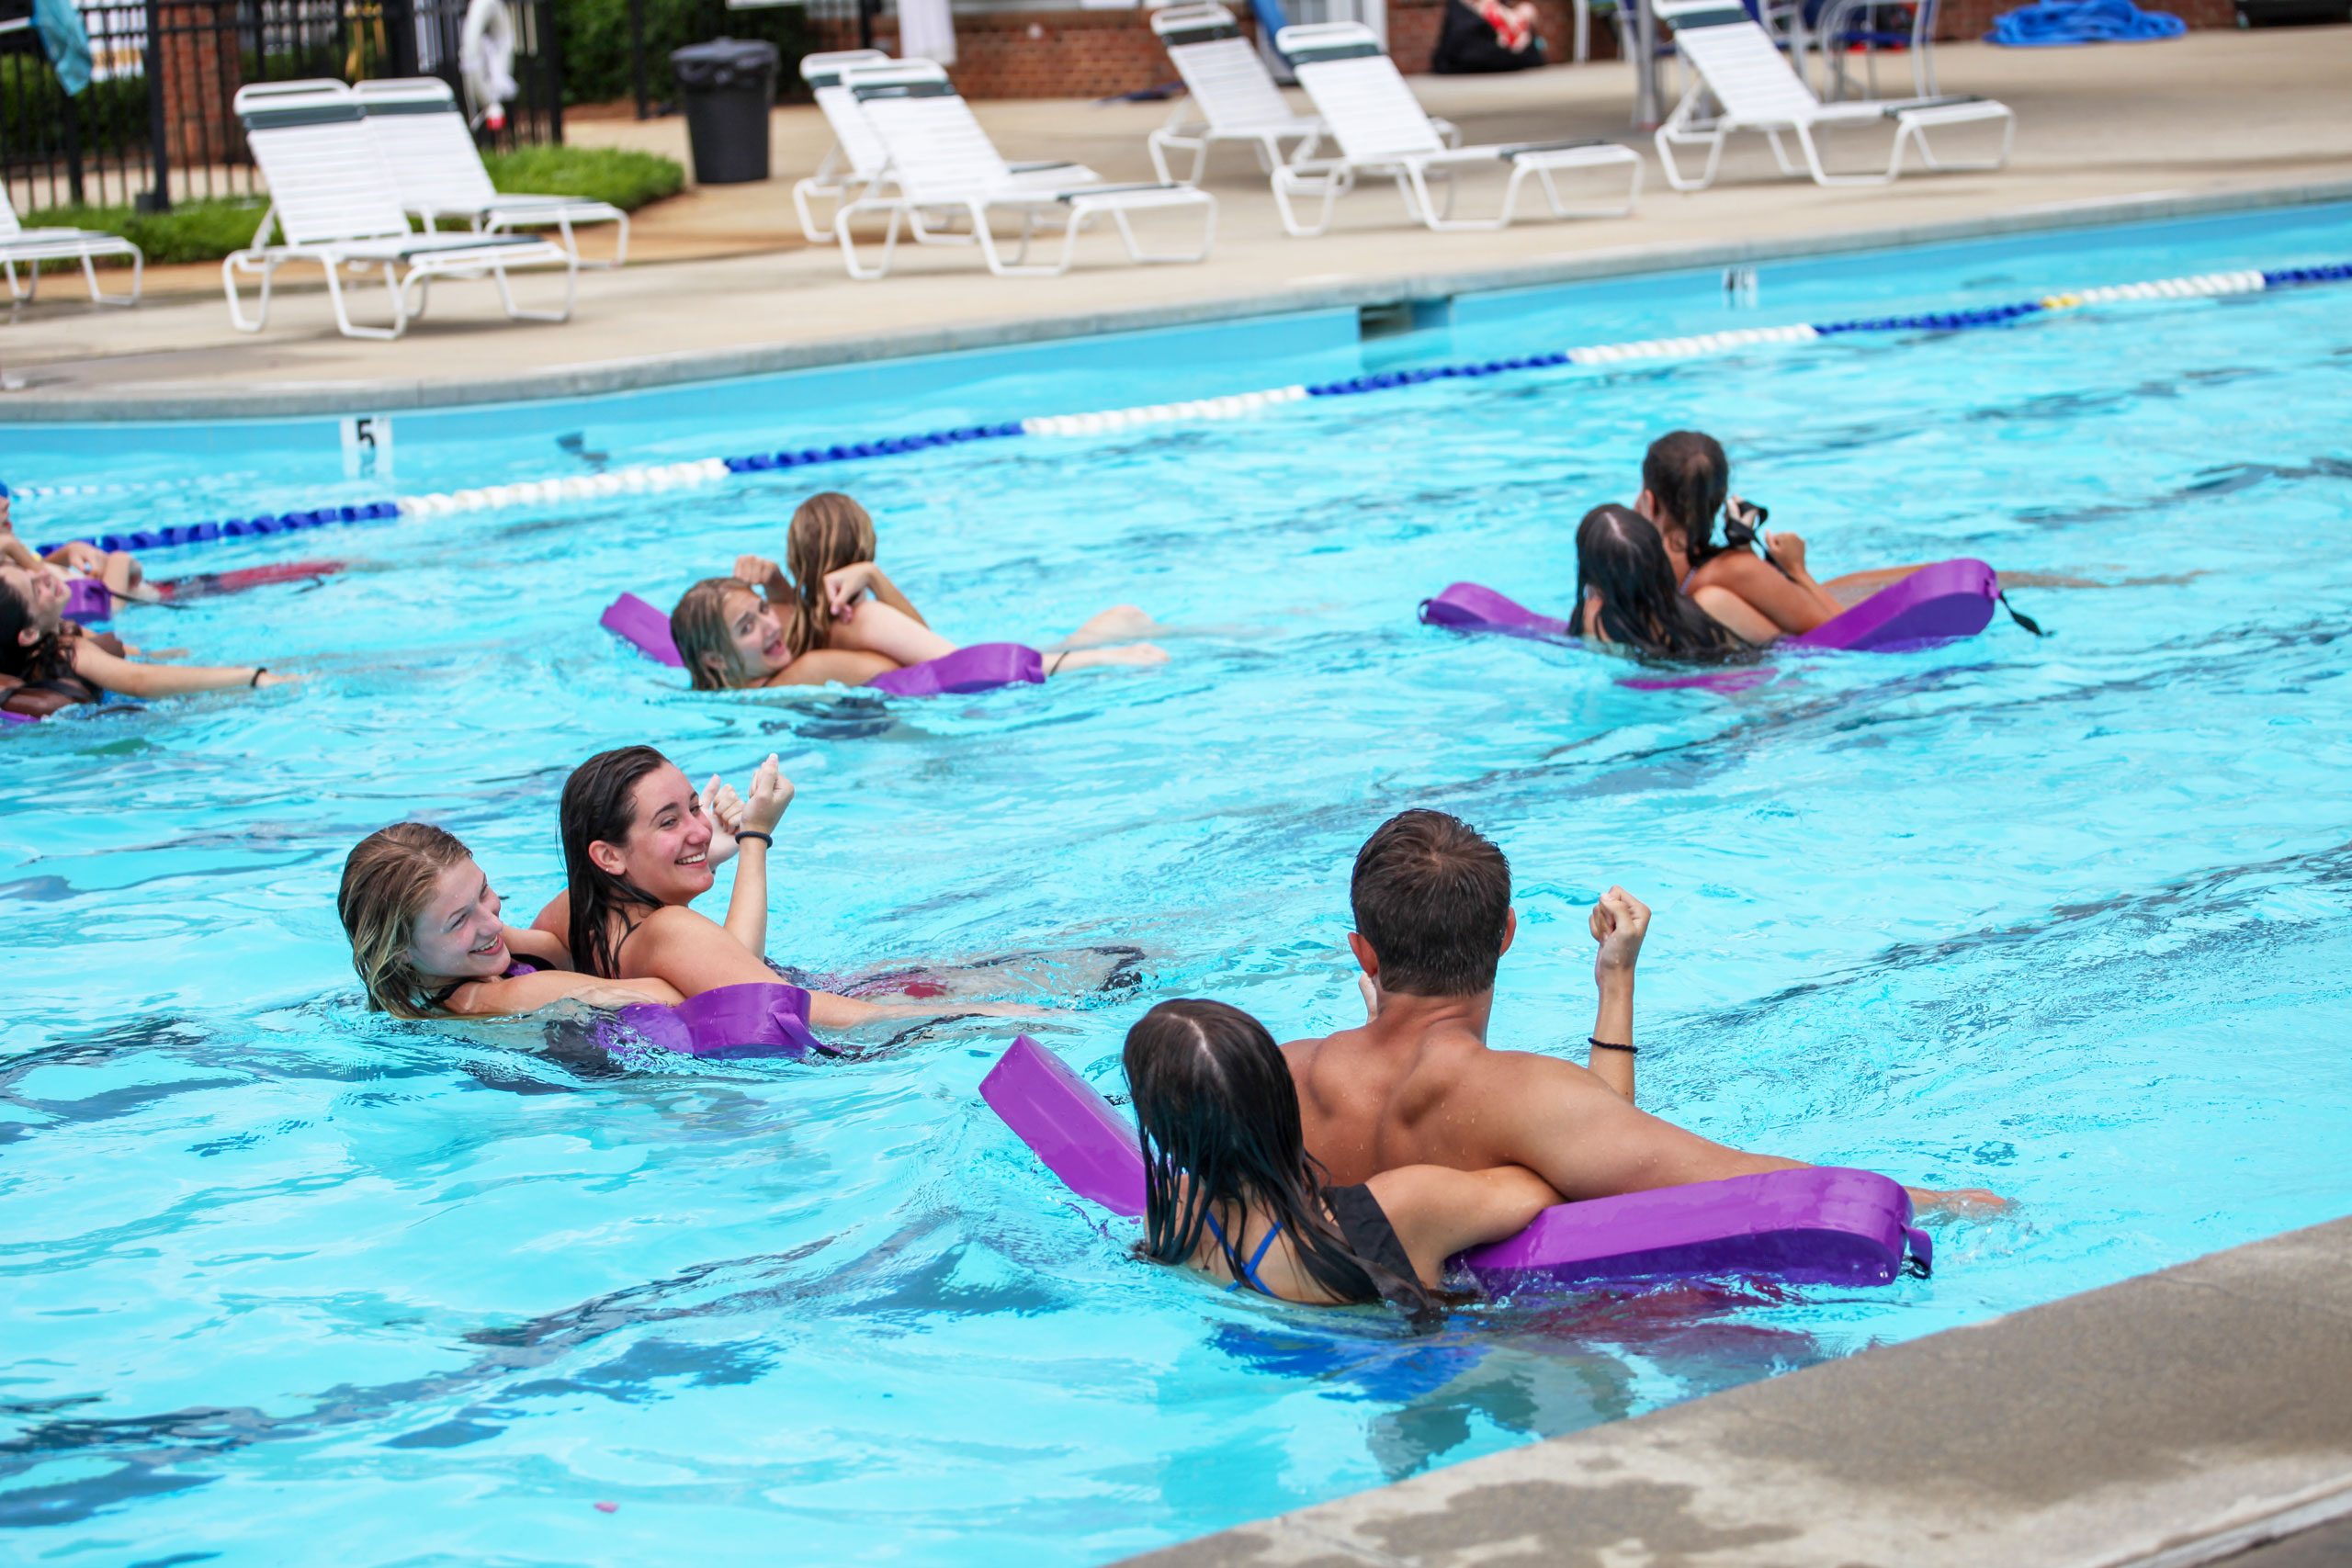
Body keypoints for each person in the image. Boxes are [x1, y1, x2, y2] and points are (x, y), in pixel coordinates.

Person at [1283, 810, 2007, 1216]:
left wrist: (1615, 983)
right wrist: (1944, 1201)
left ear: (1363, 952)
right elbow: (1730, 1176)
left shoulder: (1277, 1072)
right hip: (1494, 1345)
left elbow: (1594, 1140)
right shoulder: (1519, 1096)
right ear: (1506, 933)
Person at [535, 744, 1043, 1032]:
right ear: (608, 855)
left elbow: (719, 962)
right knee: (1025, 980)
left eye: (695, 807)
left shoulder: (572, 913)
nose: (699, 826)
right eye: (669, 821)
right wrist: (978, 1017)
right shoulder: (669, 930)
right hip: (838, 1022)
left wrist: (696, 850)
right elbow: (764, 992)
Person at [1125, 998, 1557, 1315]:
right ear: (1284, 1093)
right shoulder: (1398, 1208)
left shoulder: (1169, 1218)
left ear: (1163, 1131)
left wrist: (1376, 1043)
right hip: (1429, 1386)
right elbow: (1558, 1184)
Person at [668, 491, 1166, 691]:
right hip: (935, 672)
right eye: (748, 624)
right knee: (1086, 632)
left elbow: (963, 666)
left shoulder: (845, 626)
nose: (769, 623)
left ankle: (1108, 643)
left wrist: (1111, 660)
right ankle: (1107, 632)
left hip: (964, 677)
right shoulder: (802, 635)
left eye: (763, 611)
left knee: (1035, 656)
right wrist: (779, 585)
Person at [339, 822, 686, 1020]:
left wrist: (687, 861)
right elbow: (693, 991)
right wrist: (744, 841)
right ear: (399, 949)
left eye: (483, 891)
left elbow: (564, 951)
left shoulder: (445, 965)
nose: (492, 924)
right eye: (459, 921)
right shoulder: (505, 998)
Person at [1635, 431, 1935, 637]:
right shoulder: (1734, 571)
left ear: (1648, 500)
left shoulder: (1625, 556)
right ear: (1722, 495)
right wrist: (1797, 570)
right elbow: (1843, 632)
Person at [0, 560, 295, 716]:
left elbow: (141, 657)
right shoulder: (67, 651)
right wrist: (250, 676)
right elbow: (139, 680)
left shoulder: (45, 640)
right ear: (27, 634)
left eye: (28, 572)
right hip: (137, 717)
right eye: (35, 589)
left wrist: (175, 655)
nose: (43, 575)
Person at [1575, 503, 1771, 655]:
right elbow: (1785, 648)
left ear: (1592, 578)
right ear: (1661, 558)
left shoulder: (1594, 625)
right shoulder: (1715, 604)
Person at [0, 492, 159, 606]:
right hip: (156, 601)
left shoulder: (9, 561)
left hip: (156, 593)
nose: (6, 502)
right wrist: (120, 563)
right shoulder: (7, 580)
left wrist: (67, 552)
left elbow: (44, 574)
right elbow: (102, 611)